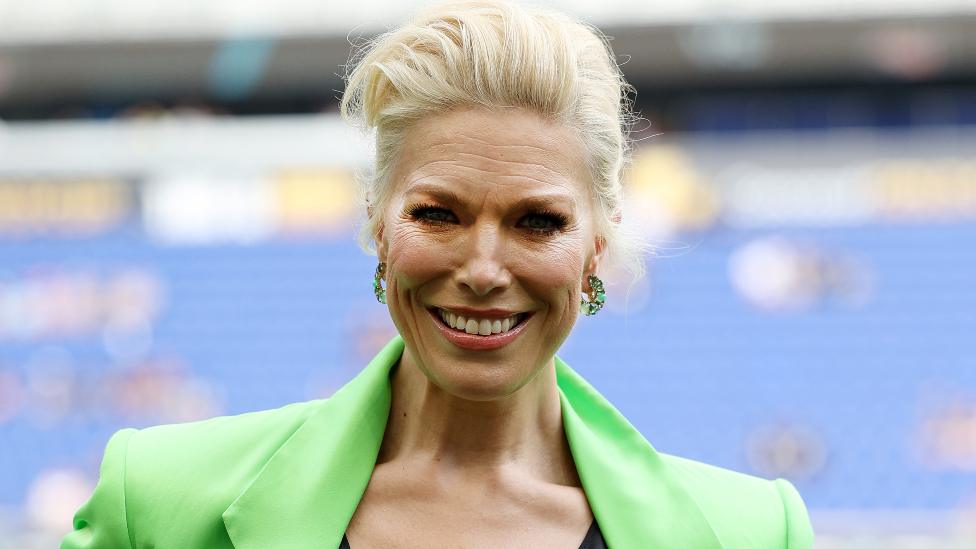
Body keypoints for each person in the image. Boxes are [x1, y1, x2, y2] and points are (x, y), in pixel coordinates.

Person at [62, 1, 814, 547]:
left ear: (597, 247)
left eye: (537, 221)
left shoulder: (748, 531)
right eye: (439, 214)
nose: (484, 269)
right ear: (377, 224)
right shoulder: (157, 504)